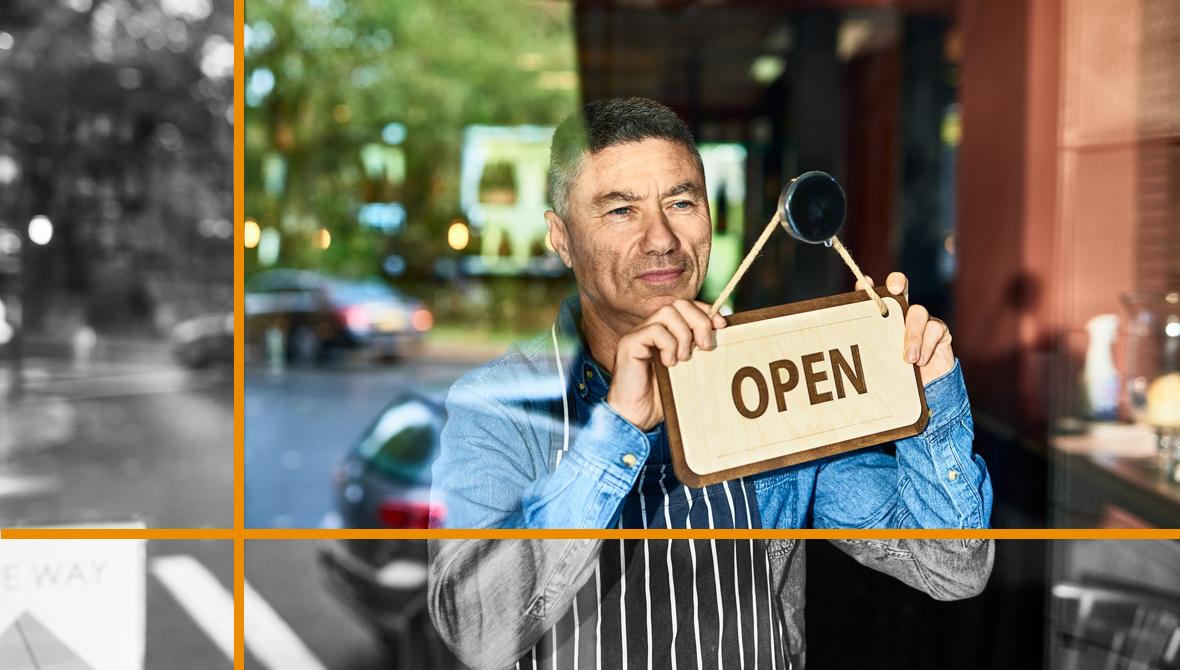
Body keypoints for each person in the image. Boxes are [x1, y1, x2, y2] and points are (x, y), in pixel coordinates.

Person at [428, 97, 993, 669]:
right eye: (621, 210)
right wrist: (615, 434)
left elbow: (951, 566)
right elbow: (476, 631)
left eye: (681, 202)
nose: (661, 239)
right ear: (561, 237)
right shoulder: (498, 407)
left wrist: (932, 396)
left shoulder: (769, 375)